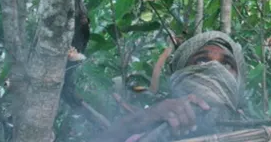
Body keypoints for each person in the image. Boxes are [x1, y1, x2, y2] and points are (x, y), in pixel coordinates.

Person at [92, 31, 247, 142]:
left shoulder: (256, 134)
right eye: (201, 61)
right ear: (180, 73)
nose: (214, 67)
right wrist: (142, 120)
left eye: (227, 65)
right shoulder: (146, 131)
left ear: (238, 82)